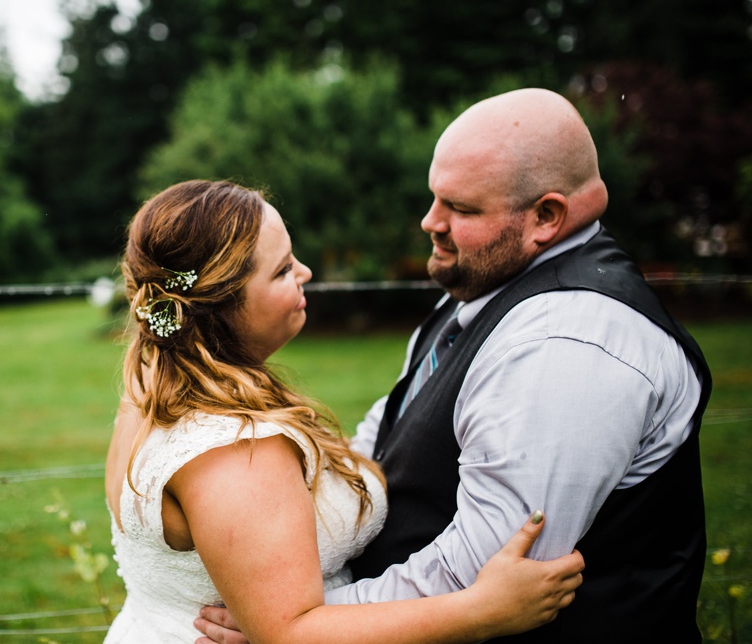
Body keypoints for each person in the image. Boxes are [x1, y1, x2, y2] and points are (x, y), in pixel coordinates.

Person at [195, 88, 712, 644]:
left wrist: (299, 623)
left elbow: (482, 570)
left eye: (461, 209)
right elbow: (390, 430)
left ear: (546, 216)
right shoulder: (488, 280)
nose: (429, 222)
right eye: (436, 197)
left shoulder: (567, 344)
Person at [104, 179, 584, 643]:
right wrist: (485, 612)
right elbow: (289, 633)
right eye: (283, 270)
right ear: (220, 308)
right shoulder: (235, 449)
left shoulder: (151, 382)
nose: (305, 273)